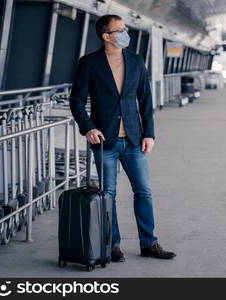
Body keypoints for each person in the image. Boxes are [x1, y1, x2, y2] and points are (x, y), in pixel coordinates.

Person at [69, 14, 176, 262]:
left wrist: (149, 132)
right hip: (104, 140)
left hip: (134, 140)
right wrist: (88, 128)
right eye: (120, 30)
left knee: (144, 192)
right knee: (109, 195)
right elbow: (76, 101)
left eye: (125, 28)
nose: (125, 33)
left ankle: (149, 244)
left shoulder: (136, 61)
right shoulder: (89, 63)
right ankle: (112, 245)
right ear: (107, 36)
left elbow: (146, 100)